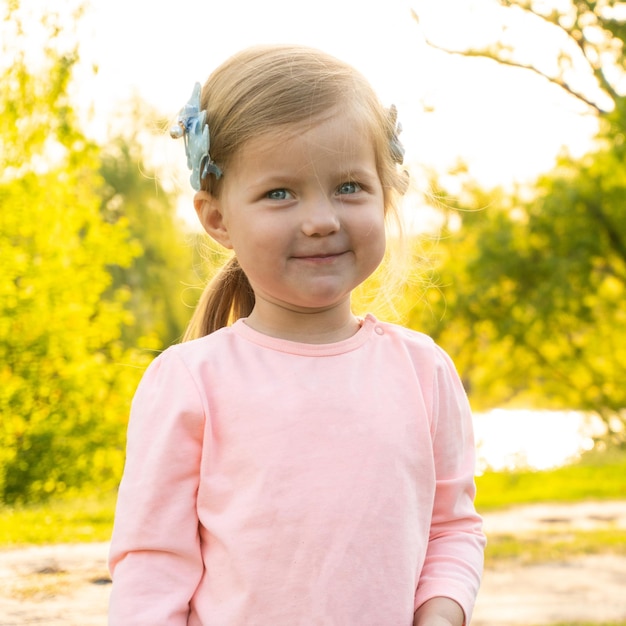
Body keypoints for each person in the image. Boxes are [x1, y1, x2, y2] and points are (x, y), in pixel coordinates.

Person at [108, 44, 485, 626]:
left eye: (350, 187)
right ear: (217, 217)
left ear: (387, 194)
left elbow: (451, 529)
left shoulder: (423, 372)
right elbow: (153, 567)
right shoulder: (191, 381)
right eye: (279, 193)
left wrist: (441, 613)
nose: (321, 219)